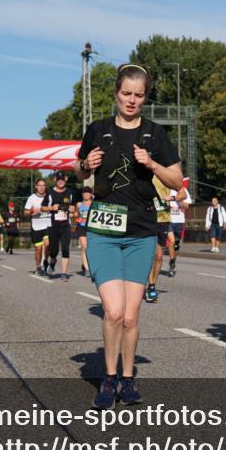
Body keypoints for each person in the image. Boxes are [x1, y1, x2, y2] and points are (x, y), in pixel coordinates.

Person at [75, 63, 182, 409]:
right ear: (116, 94)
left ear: (145, 97)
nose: (132, 100)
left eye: (138, 95)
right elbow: (77, 172)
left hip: (140, 232)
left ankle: (128, 377)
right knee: (114, 311)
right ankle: (108, 379)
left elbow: (177, 181)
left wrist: (151, 165)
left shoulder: (155, 133)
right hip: (104, 232)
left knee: (132, 316)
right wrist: (85, 166)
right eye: (126, 93)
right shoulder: (97, 129)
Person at [42, 172, 75, 280]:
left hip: (65, 225)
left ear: (65, 179)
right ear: (55, 180)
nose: (60, 181)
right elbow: (42, 208)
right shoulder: (50, 193)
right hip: (53, 225)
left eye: (62, 179)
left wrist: (72, 209)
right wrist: (51, 208)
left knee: (65, 248)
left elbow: (73, 207)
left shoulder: (70, 192)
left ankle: (64, 273)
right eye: (58, 179)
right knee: (54, 250)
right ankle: (52, 262)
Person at [145, 177, 173, 303]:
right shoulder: (147, 172)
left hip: (164, 218)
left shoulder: (168, 175)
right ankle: (151, 286)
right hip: (149, 218)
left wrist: (172, 199)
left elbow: (182, 193)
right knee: (155, 254)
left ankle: (152, 284)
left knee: (159, 257)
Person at [25, 179, 52, 276]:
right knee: (38, 249)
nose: (41, 187)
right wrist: (33, 211)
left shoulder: (49, 197)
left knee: (48, 245)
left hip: (48, 225)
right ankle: (38, 266)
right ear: (36, 186)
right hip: (36, 226)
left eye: (43, 185)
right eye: (39, 185)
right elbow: (25, 212)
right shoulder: (32, 198)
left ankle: (45, 262)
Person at [166, 184, 191, 277]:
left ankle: (172, 261)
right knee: (171, 241)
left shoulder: (183, 190)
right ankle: (172, 264)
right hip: (169, 220)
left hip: (179, 221)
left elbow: (187, 206)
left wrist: (177, 199)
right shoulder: (166, 189)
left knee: (176, 245)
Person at [73, 187, 93, 275]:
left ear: (91, 194)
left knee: (91, 248)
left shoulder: (94, 204)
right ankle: (87, 269)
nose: (86, 194)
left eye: (88, 193)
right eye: (84, 192)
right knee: (84, 247)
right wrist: (76, 216)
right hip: (81, 227)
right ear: (82, 194)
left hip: (92, 228)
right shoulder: (79, 204)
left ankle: (90, 265)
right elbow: (76, 214)